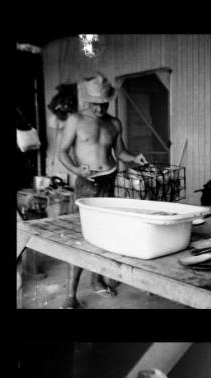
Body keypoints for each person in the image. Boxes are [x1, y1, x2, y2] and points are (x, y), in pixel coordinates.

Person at [58, 73, 147, 309]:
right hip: (87, 184)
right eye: (95, 104)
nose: (99, 109)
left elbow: (121, 153)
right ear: (88, 101)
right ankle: (70, 295)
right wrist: (77, 169)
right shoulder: (75, 120)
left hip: (109, 181)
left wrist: (135, 158)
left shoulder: (114, 123)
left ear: (108, 100)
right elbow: (63, 152)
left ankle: (97, 278)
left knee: (104, 235)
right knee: (80, 239)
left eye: (103, 104)